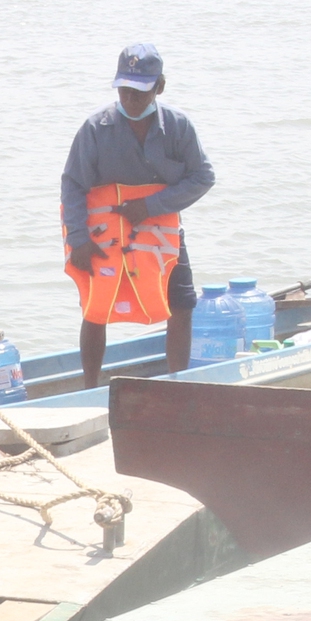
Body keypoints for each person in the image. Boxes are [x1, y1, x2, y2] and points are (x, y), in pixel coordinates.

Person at [61, 44, 216, 388]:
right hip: (102, 230)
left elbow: (203, 177)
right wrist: (78, 240)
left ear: (159, 87)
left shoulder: (178, 127)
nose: (130, 98)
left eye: (140, 91)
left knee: (182, 303)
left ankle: (176, 383)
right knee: (95, 308)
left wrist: (151, 206)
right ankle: (90, 386)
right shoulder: (95, 129)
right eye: (124, 90)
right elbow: (72, 185)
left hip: (159, 229)